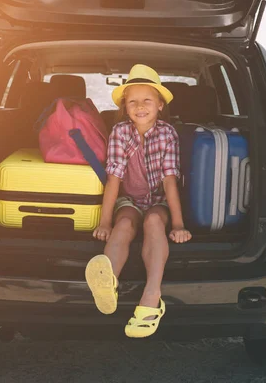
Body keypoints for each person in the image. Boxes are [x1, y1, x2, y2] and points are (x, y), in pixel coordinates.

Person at [85, 64, 192, 338]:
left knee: (155, 222)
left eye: (147, 100)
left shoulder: (168, 133)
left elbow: (170, 181)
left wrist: (178, 224)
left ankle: (152, 295)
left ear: (159, 104)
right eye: (132, 101)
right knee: (123, 225)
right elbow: (114, 179)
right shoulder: (120, 132)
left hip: (158, 200)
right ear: (125, 106)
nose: (140, 106)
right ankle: (107, 282)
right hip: (129, 199)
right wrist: (104, 222)